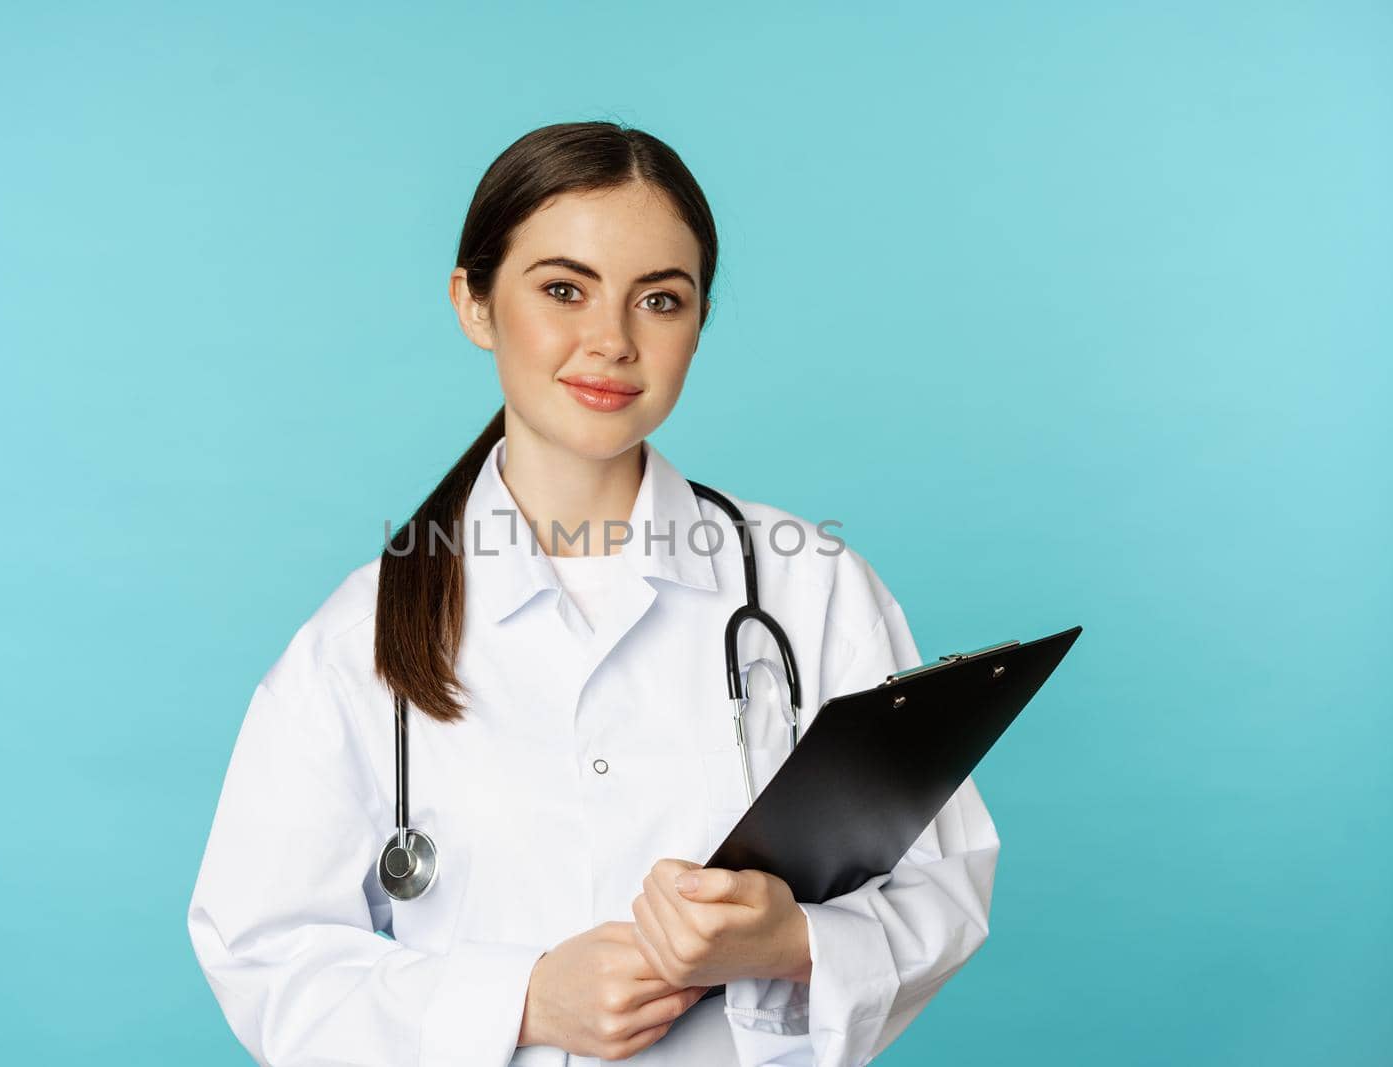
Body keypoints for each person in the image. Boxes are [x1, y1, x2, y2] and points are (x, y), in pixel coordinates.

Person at [186, 121, 999, 1066]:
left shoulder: (810, 587)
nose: (610, 341)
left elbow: (945, 882)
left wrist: (787, 942)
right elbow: (262, 954)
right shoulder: (356, 638)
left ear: (699, 323)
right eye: (563, 289)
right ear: (475, 303)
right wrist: (524, 1000)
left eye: (659, 299)